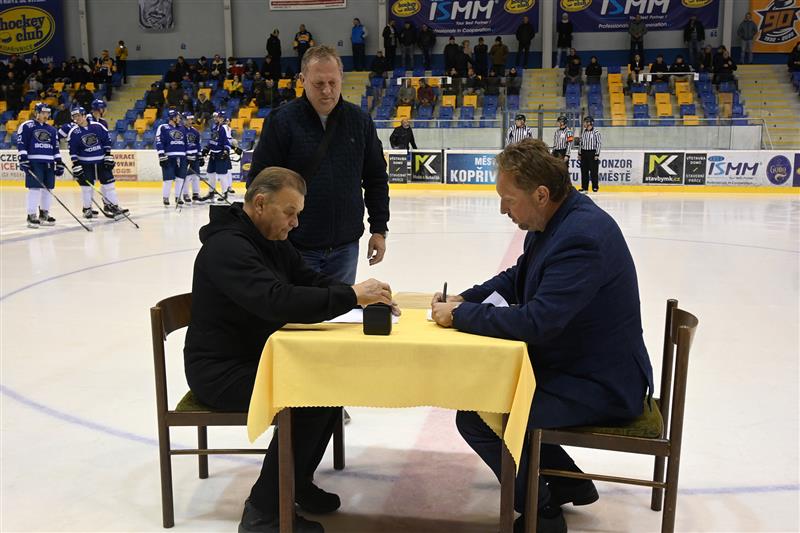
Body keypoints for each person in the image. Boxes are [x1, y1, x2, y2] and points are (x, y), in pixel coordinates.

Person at [430, 138, 653, 533]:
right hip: (579, 365)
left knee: (480, 414)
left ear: (541, 194)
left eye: (508, 200)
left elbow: (538, 322)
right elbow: (518, 277)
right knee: (498, 389)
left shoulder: (582, 237)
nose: (503, 209)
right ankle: (569, 483)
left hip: (602, 383)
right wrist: (466, 298)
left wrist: (462, 315)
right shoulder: (555, 219)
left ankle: (540, 513)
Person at [184, 167, 397, 533]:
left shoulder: (269, 239)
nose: (295, 223)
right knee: (310, 396)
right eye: (290, 212)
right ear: (260, 203)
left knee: (330, 388)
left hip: (257, 357)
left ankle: (293, 484)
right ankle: (264, 512)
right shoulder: (228, 247)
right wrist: (350, 295)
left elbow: (307, 279)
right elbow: (276, 301)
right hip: (221, 371)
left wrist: (360, 295)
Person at [246, 45, 390, 291]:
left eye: (333, 83)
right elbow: (259, 183)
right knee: (296, 313)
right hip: (294, 247)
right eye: (318, 83)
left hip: (345, 248)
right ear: (302, 80)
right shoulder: (281, 121)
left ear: (341, 78)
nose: (327, 91)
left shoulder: (360, 121)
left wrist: (379, 228)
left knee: (339, 312)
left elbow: (375, 178)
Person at [67, 106, 128, 218]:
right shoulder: (74, 132)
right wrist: (75, 164)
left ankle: (113, 206)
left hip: (101, 161)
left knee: (109, 184)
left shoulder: (97, 126)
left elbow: (106, 141)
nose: (77, 119)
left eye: (78, 116)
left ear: (84, 115)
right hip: (85, 163)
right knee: (87, 187)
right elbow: (73, 151)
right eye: (74, 117)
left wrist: (108, 155)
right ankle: (87, 208)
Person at [17, 103, 64, 228]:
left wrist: (59, 162)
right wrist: (23, 159)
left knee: (48, 189)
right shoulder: (27, 126)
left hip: (49, 163)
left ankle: (44, 213)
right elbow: (22, 144)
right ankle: (31, 215)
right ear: (36, 113)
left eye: (47, 113)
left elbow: (55, 148)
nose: (45, 115)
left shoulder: (52, 130)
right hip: (34, 162)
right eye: (43, 113)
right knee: (34, 188)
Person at [155, 109, 187, 206]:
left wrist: (188, 155)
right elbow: (159, 141)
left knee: (180, 178)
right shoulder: (163, 127)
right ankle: (166, 197)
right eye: (178, 117)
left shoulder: (182, 128)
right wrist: (161, 155)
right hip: (169, 157)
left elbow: (186, 143)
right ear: (173, 118)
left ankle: (178, 197)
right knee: (168, 179)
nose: (179, 119)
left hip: (182, 157)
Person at [202, 110, 235, 202]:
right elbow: (212, 140)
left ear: (223, 119)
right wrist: (207, 148)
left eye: (219, 117)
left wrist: (226, 151)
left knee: (222, 174)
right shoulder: (215, 126)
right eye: (217, 117)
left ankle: (224, 193)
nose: (217, 118)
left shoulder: (224, 127)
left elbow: (227, 142)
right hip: (213, 153)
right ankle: (211, 193)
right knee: (210, 173)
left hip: (220, 153)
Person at [182, 112, 203, 203]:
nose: (191, 121)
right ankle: (185, 194)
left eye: (191, 119)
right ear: (184, 120)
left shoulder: (195, 131)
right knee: (186, 176)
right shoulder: (180, 131)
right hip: (185, 157)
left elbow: (198, 144)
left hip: (194, 156)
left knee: (196, 176)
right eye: (189, 119)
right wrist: (186, 155)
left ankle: (196, 194)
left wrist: (200, 155)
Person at [578, 116, 600, 193]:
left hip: (592, 152)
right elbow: (581, 143)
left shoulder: (596, 132)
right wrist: (579, 153)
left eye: (585, 122)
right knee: (584, 171)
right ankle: (584, 187)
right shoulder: (583, 132)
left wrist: (597, 154)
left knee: (594, 171)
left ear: (589, 123)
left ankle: (595, 187)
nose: (584, 124)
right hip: (584, 152)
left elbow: (598, 144)